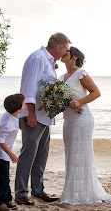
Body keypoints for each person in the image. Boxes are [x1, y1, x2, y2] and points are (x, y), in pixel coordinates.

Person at [58, 46, 111, 204]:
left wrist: (79, 102)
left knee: (81, 155)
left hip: (82, 120)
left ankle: (83, 193)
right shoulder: (62, 77)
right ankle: (72, 192)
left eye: (66, 52)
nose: (62, 53)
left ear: (74, 57)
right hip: (68, 120)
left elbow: (96, 92)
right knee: (71, 155)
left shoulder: (81, 73)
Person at [15, 33, 71, 205]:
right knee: (28, 155)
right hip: (34, 116)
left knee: (41, 156)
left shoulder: (49, 62)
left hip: (44, 117)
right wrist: (31, 113)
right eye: (66, 49)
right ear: (58, 48)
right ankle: (21, 193)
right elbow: (29, 87)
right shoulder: (38, 58)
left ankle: (38, 190)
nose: (66, 53)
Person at [0, 93, 25, 211]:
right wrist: (11, 154)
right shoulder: (7, 123)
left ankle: (7, 199)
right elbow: (0, 141)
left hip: (3, 152)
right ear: (18, 109)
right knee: (3, 178)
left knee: (5, 177)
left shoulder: (11, 114)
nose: (24, 106)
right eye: (24, 105)